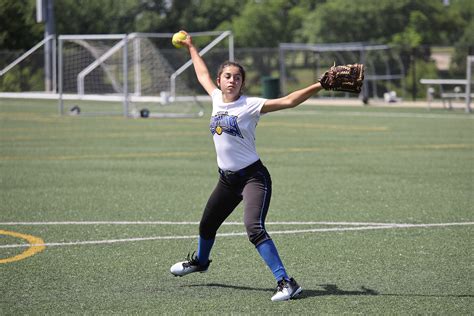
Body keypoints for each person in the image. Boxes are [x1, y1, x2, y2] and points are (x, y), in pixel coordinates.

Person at [169, 30, 360, 302]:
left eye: (237, 77)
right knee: (207, 224)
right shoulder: (214, 98)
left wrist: (319, 85)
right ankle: (200, 261)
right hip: (227, 180)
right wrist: (191, 47)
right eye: (227, 76)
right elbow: (200, 73)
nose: (232, 80)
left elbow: (289, 101)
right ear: (220, 81)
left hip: (253, 178)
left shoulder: (251, 105)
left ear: (243, 83)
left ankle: (287, 283)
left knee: (254, 228)